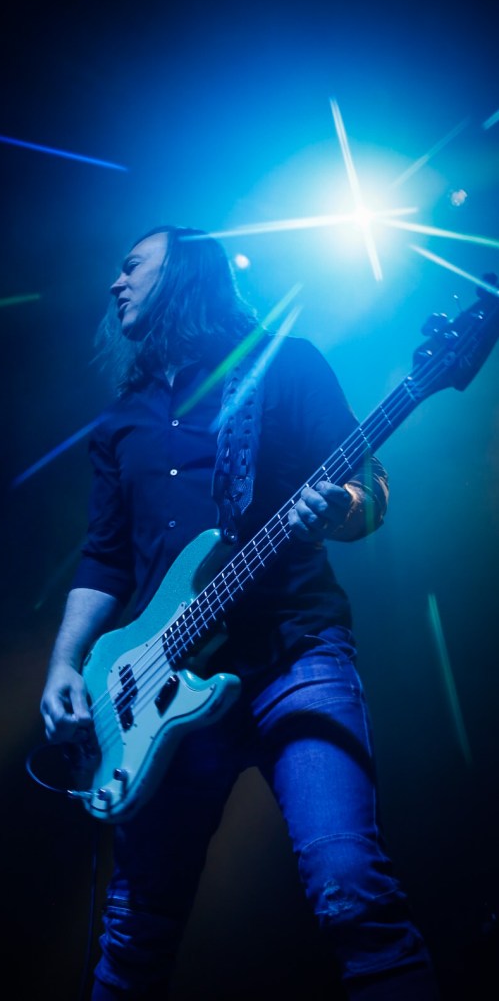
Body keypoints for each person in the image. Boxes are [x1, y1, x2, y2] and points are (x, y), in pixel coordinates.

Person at [40, 225, 440, 1000]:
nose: (115, 283)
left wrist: (338, 508)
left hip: (294, 654)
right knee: (135, 932)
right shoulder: (119, 422)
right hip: (160, 684)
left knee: (350, 889)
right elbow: (105, 558)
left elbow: (371, 489)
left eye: (132, 266)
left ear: (183, 271)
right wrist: (63, 664)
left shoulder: (283, 365)